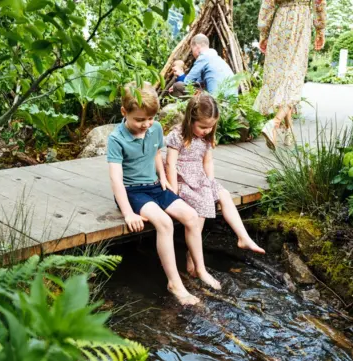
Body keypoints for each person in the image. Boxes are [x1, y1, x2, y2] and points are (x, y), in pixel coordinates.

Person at [107, 82, 221, 306]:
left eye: (150, 119)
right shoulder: (116, 139)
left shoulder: (155, 128)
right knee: (165, 223)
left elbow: (157, 155)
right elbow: (116, 179)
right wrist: (129, 213)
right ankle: (175, 283)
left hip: (155, 186)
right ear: (124, 112)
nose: (146, 125)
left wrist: (165, 178)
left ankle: (200, 268)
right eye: (139, 120)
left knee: (190, 216)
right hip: (132, 192)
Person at [166, 93, 265, 276]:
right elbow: (170, 164)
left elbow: (208, 162)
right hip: (183, 180)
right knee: (202, 206)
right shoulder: (177, 136)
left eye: (211, 127)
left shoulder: (206, 137)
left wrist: (210, 182)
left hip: (201, 179)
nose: (206, 130)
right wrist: (172, 190)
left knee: (224, 195)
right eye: (203, 126)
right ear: (190, 119)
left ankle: (243, 237)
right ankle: (192, 255)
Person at [254, 0, 326, 150]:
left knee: (281, 76)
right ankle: (274, 123)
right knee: (295, 76)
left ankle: (289, 131)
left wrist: (264, 32)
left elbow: (268, 3)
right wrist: (320, 29)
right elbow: (319, 3)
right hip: (301, 22)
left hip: (281, 23)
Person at [169, 34, 237, 97]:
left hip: (217, 101)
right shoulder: (216, 58)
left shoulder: (203, 57)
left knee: (177, 86)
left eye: (192, 49)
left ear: (197, 46)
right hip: (231, 101)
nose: (192, 53)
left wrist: (180, 75)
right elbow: (198, 83)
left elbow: (187, 82)